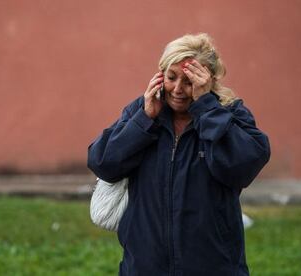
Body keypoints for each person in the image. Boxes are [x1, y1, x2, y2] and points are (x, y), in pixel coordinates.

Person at [87, 33, 270, 276]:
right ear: (160, 75)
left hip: (214, 267)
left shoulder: (229, 114)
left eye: (190, 80)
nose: (178, 89)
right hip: (144, 267)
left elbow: (243, 168)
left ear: (209, 80)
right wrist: (144, 120)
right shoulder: (142, 111)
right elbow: (103, 163)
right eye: (171, 77)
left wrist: (206, 108)